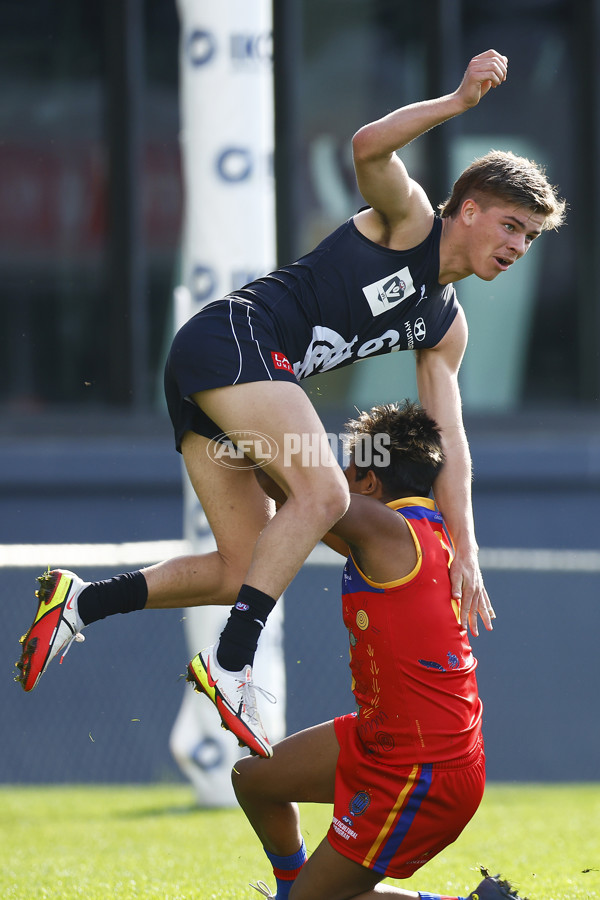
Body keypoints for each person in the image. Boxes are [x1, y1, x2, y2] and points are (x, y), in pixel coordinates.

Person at [16, 50, 565, 760]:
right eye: (511, 225)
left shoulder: (445, 327)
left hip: (218, 376)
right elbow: (367, 146)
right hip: (233, 340)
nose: (518, 245)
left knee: (239, 568)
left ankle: (79, 603)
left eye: (529, 235)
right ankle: (231, 665)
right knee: (325, 490)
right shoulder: (410, 222)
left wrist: (467, 545)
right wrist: (458, 103)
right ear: (466, 209)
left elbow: (450, 438)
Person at [232, 401, 525, 900]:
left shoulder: (386, 531)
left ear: (367, 483)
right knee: (253, 778)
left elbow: (296, 487)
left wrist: (239, 415)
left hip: (422, 768)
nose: (336, 478)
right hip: (392, 742)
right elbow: (290, 496)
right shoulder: (407, 531)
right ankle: (291, 887)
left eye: (347, 468)